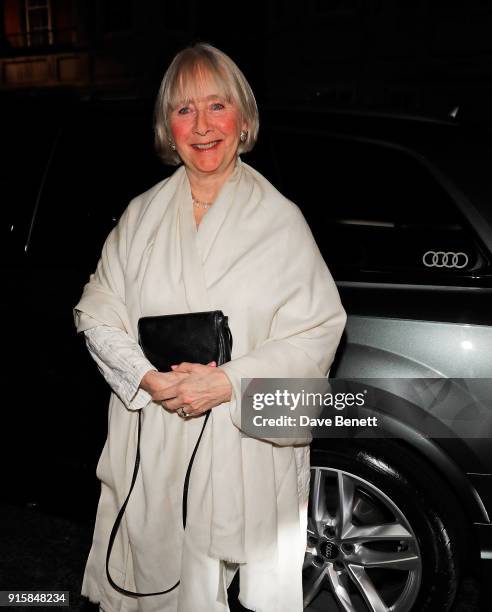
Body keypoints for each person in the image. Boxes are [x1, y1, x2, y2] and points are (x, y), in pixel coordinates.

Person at [74, 42, 346, 612]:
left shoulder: (280, 220)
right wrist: (146, 378)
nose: (202, 126)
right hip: (159, 429)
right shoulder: (140, 216)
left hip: (242, 438)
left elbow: (317, 328)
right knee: (161, 586)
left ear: (242, 118)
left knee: (251, 589)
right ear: (166, 127)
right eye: (184, 109)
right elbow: (97, 309)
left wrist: (228, 383)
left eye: (217, 106)